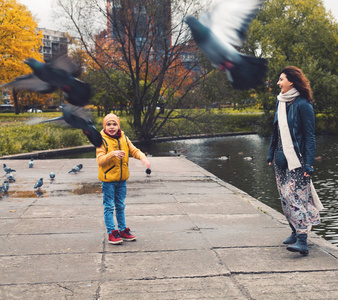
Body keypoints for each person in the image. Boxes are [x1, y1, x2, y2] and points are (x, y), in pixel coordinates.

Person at [267, 66, 322, 255]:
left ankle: (302, 241)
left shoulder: (303, 104)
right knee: (284, 197)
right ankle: (294, 230)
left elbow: (310, 136)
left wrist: (309, 164)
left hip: (297, 160)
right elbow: (276, 131)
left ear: (291, 81)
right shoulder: (280, 102)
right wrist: (270, 153)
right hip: (280, 158)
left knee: (295, 197)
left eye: (281, 79)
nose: (278, 82)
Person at [96, 113, 151, 245]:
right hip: (108, 180)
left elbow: (134, 150)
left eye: (114, 124)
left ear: (118, 125)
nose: (112, 127)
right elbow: (100, 160)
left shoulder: (123, 138)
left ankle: (122, 230)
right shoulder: (101, 140)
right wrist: (112, 154)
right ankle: (111, 232)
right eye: (108, 124)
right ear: (104, 126)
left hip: (122, 179)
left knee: (120, 205)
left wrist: (143, 157)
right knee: (109, 206)